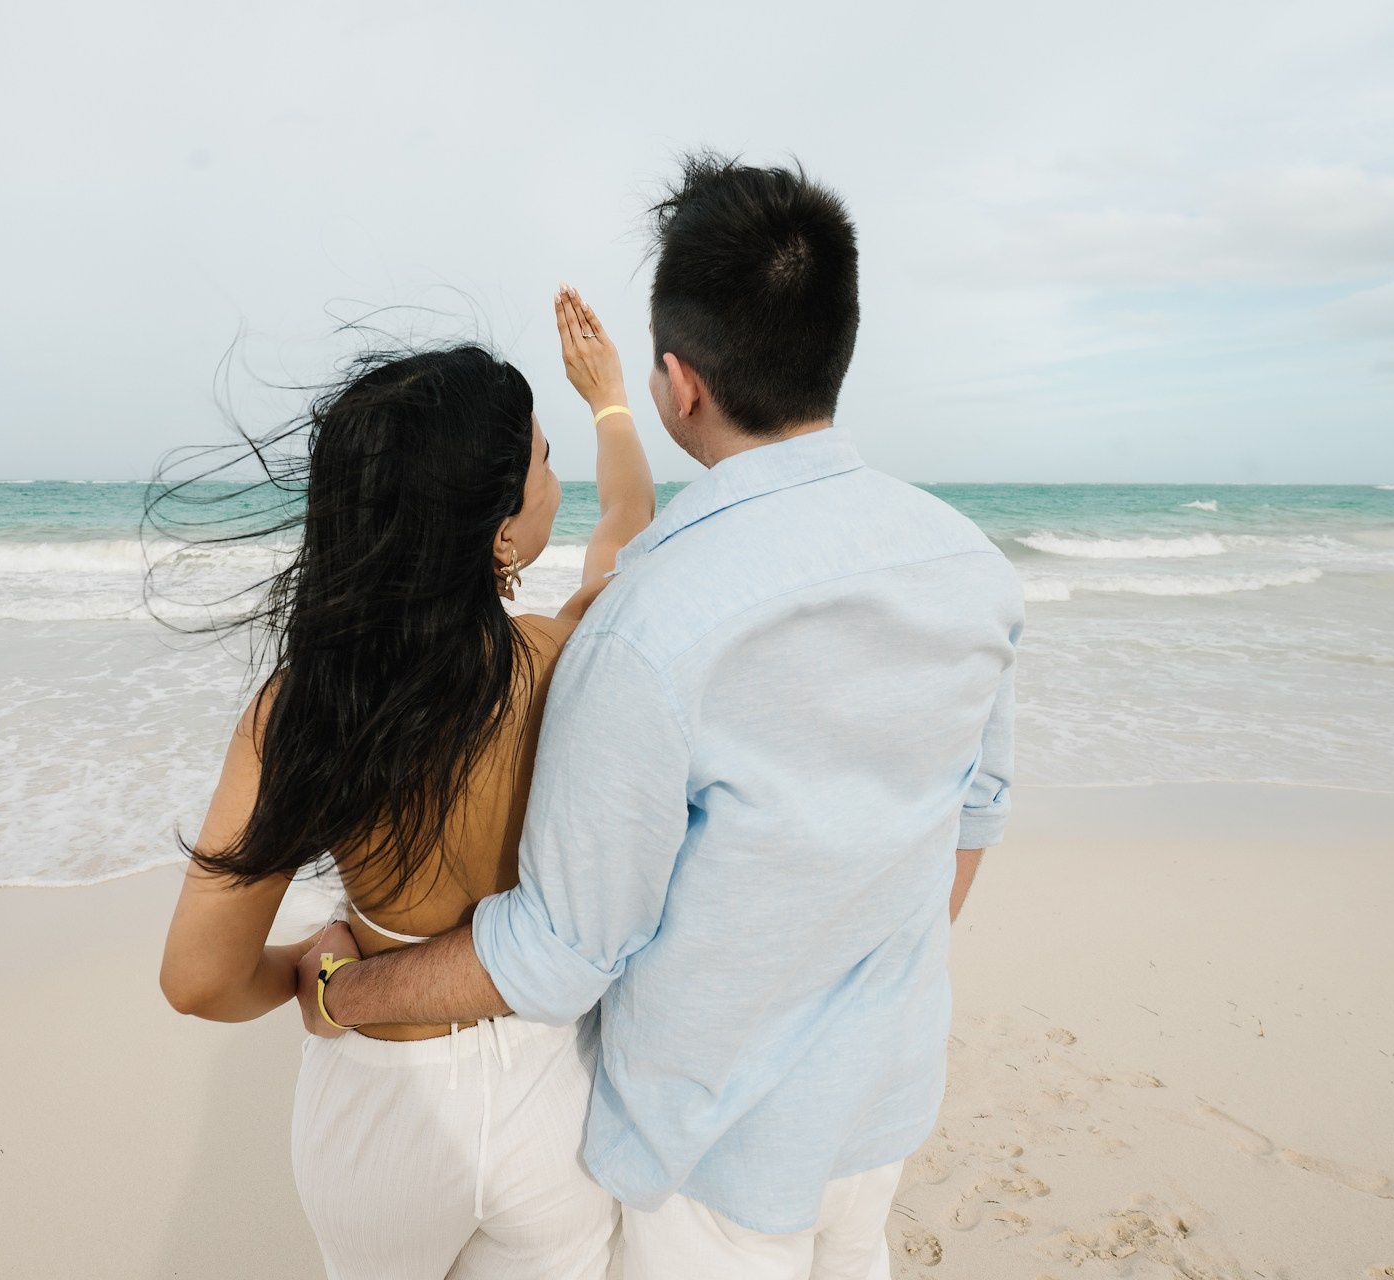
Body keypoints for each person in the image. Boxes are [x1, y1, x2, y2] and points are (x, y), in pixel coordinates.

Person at [298, 154, 1025, 1280]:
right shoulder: (970, 566)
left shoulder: (651, 623)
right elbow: (972, 816)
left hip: (713, 1152)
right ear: (838, 343)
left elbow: (563, 951)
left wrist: (352, 988)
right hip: (879, 1102)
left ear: (680, 382)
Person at [158, 286, 655, 1278]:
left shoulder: (308, 706)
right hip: (546, 1090)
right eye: (543, 461)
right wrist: (608, 402)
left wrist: (318, 973)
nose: (555, 475)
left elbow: (198, 977)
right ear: (499, 526)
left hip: (381, 1106)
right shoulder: (569, 657)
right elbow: (629, 519)